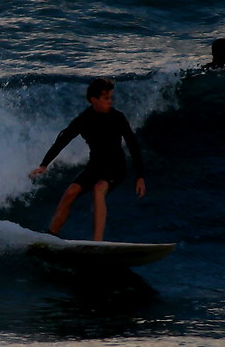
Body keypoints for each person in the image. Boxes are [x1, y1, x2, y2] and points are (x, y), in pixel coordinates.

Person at [29, 78, 146, 241]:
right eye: (106, 98)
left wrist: (140, 176)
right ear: (94, 100)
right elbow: (63, 140)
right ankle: (52, 234)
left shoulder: (118, 118)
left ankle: (97, 242)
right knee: (70, 192)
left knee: (98, 190)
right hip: (95, 167)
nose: (110, 102)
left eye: (111, 98)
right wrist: (44, 164)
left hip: (115, 168)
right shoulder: (84, 119)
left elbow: (133, 146)